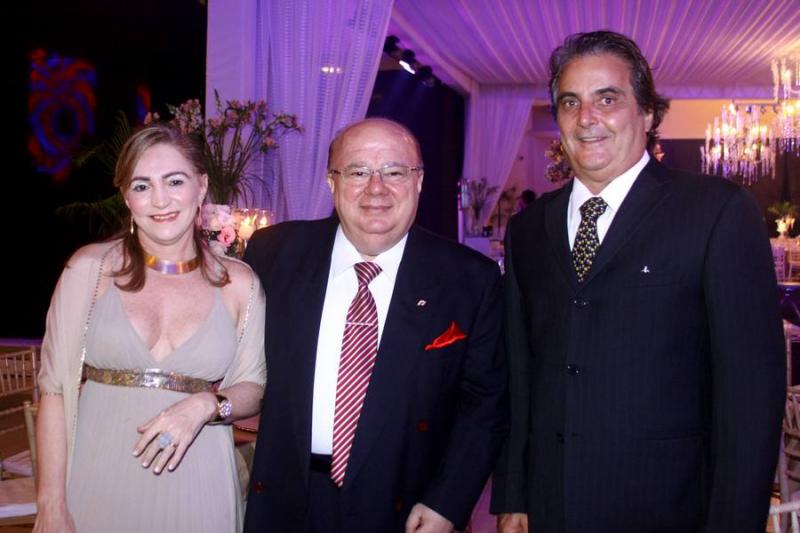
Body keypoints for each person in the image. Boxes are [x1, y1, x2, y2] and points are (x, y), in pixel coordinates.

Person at [491, 30, 785, 532]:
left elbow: (751, 393)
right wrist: (514, 494)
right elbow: (520, 373)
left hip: (671, 508)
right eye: (570, 102)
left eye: (607, 99)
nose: (587, 118)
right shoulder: (528, 230)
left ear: (648, 112)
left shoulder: (716, 212)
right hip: (551, 506)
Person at [242, 118, 507, 533]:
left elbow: (485, 405)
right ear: (332, 182)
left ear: (419, 181)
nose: (376, 188)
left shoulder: (470, 279)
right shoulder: (273, 254)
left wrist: (447, 502)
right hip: (285, 500)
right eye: (358, 172)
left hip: (407, 508)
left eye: (394, 172)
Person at [34, 123, 267, 532]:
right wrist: (50, 504)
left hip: (200, 484)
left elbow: (254, 389)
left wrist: (208, 404)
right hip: (96, 478)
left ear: (201, 187)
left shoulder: (239, 283)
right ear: (127, 197)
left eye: (174, 181)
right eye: (142, 186)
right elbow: (53, 390)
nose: (160, 200)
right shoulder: (90, 270)